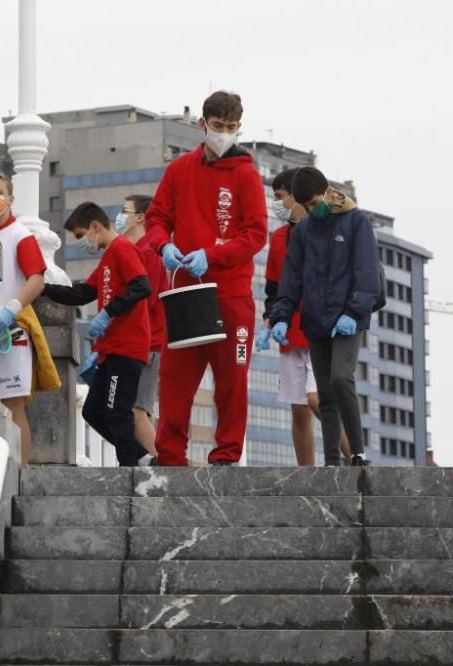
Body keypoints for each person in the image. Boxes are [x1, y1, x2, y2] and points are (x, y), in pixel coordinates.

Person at [145, 90, 268, 466]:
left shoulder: (247, 175)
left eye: (231, 128)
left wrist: (212, 255)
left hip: (231, 295)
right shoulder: (179, 170)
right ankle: (169, 457)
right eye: (218, 126)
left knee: (233, 380)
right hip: (185, 291)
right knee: (175, 378)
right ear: (203, 124)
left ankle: (227, 456)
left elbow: (255, 234)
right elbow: (156, 218)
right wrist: (163, 246)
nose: (224, 133)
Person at [270, 167, 378, 467]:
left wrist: (355, 311)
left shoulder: (356, 222)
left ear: (328, 193)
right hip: (315, 322)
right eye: (306, 207)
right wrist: (281, 316)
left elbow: (367, 274)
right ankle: (332, 460)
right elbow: (290, 280)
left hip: (347, 319)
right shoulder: (303, 230)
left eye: (315, 203)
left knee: (342, 378)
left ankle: (357, 452)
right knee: (325, 393)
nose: (312, 210)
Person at [43, 202, 155, 467]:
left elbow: (142, 285)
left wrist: (108, 313)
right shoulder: (108, 258)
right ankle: (142, 459)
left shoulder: (123, 249)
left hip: (127, 347)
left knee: (117, 412)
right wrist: (43, 288)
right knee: (93, 411)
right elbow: (82, 293)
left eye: (82, 235)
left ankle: (130, 469)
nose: (82, 243)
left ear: (95, 226)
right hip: (110, 351)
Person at [257, 169, 351, 466]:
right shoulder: (280, 237)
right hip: (290, 330)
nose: (277, 204)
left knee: (316, 399)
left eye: (280, 197)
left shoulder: (326, 231)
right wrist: (270, 318)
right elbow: (273, 285)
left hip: (320, 328)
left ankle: (354, 458)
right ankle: (306, 472)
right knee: (298, 409)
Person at [0, 171, 47, 467]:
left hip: (12, 332)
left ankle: (22, 470)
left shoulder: (21, 235)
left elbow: (37, 279)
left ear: (11, 199)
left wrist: (10, 309)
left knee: (13, 405)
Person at [115, 194, 166, 456]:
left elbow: (147, 299)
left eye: (125, 210)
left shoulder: (149, 254)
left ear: (140, 217)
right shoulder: (137, 250)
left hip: (146, 342)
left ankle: (161, 464)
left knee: (136, 409)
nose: (120, 215)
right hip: (140, 341)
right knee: (140, 409)